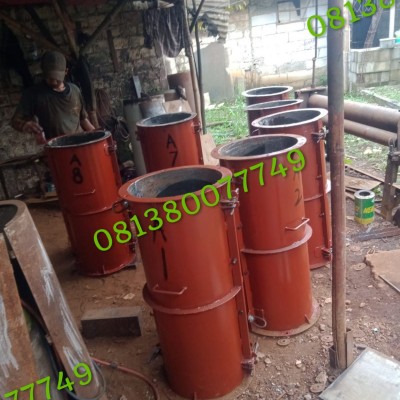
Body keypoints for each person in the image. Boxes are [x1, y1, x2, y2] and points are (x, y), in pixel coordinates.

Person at [11, 50, 95, 144]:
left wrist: (97, 135)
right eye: (50, 78)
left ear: (66, 72)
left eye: (57, 78)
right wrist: (26, 125)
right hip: (56, 148)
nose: (54, 82)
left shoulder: (75, 90)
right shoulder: (33, 94)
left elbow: (83, 119)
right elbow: (15, 121)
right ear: (43, 72)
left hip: (80, 144)